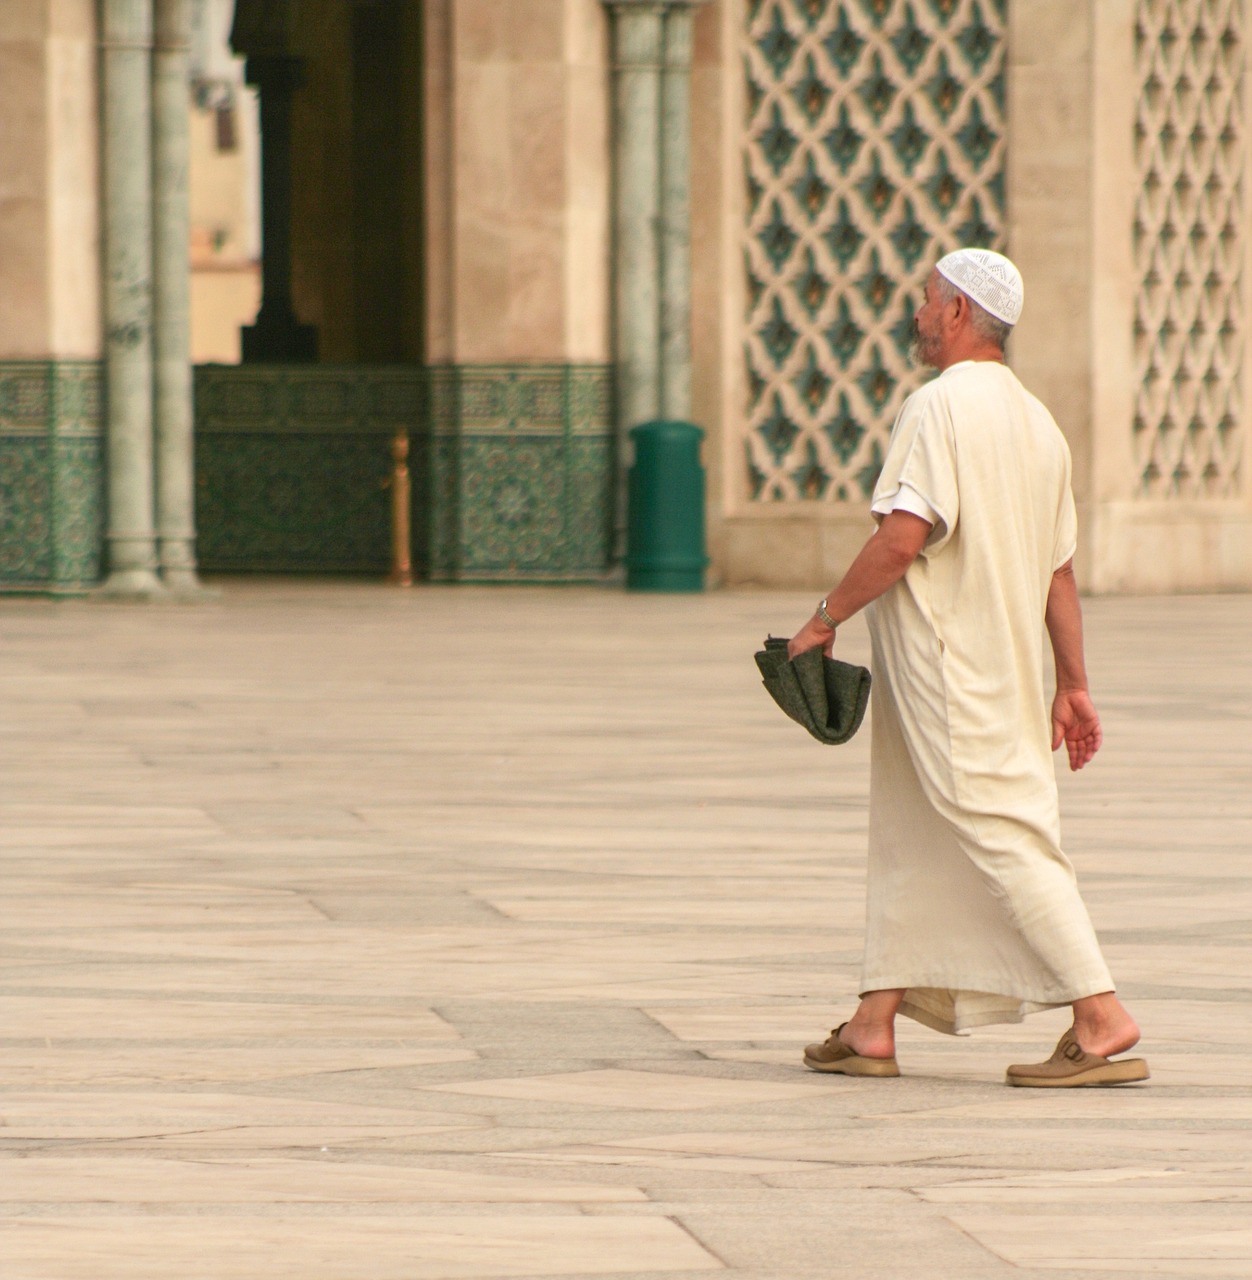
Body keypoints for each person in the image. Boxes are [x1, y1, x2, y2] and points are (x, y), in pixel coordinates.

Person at [789, 248, 1147, 1087]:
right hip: (1006, 669)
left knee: (1004, 830)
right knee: (916, 827)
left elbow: (902, 538)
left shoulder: (938, 407)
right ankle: (873, 1024)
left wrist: (822, 620)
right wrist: (1073, 684)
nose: (915, 314)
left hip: (949, 668)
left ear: (955, 313)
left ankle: (1100, 1016)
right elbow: (1059, 574)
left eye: (923, 300)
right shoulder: (1038, 423)